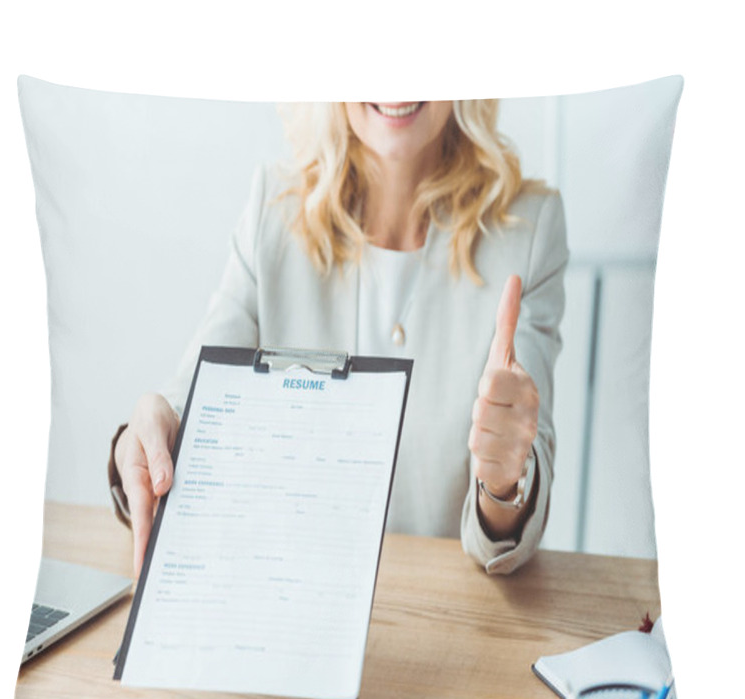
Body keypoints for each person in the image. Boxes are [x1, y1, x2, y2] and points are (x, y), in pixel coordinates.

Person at [108, 100, 568, 579]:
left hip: (444, 610)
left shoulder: (530, 230)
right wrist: (145, 441)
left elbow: (517, 509)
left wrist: (502, 482)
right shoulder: (273, 207)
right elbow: (190, 395)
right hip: (288, 590)